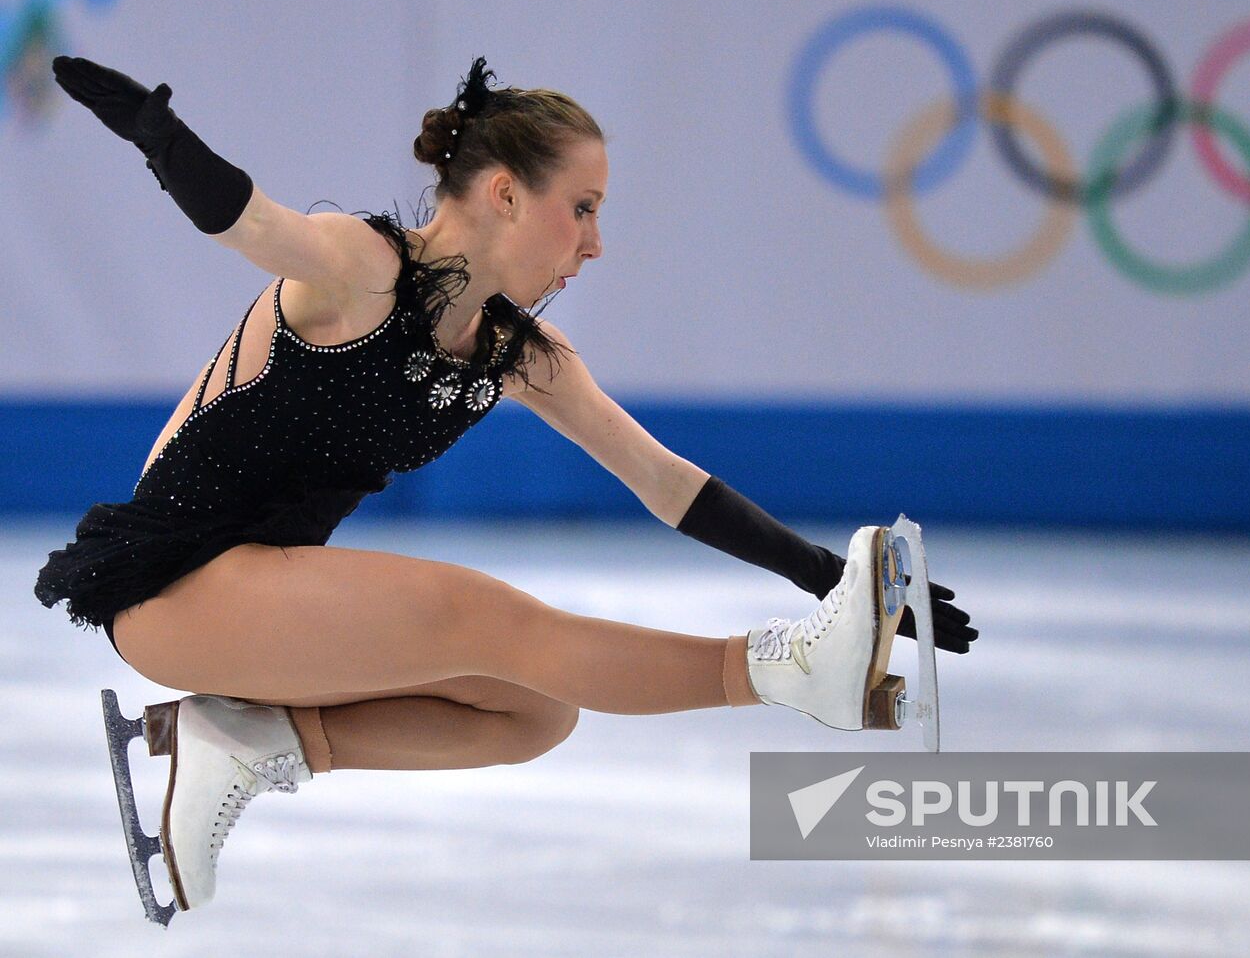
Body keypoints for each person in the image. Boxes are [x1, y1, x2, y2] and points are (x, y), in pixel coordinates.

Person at [35, 55, 978, 914]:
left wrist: (830, 576)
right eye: (585, 206)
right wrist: (159, 137)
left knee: (532, 707)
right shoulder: (364, 271)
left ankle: (250, 742)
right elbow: (250, 222)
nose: (596, 242)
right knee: (481, 620)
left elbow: (667, 483)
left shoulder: (517, 353)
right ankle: (779, 668)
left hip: (260, 603)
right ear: (505, 194)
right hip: (172, 589)